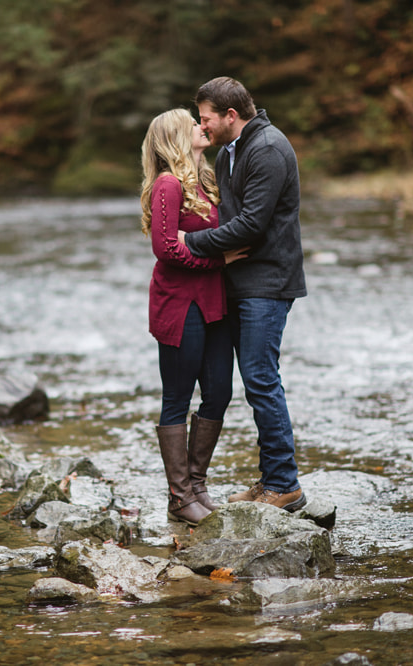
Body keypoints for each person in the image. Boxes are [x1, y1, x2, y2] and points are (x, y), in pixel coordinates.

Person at [179, 76, 308, 512]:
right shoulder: (233, 150)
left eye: (207, 119)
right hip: (242, 280)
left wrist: (190, 243)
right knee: (256, 381)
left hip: (267, 283)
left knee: (260, 380)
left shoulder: (267, 149)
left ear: (231, 116)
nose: (203, 126)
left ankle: (284, 485)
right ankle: (271, 477)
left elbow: (252, 224)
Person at [140, 108, 248, 526]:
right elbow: (166, 249)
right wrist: (218, 260)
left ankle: (197, 485)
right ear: (175, 138)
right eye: (192, 123)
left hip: (213, 304)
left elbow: (197, 239)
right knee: (177, 398)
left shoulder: (206, 181)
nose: (201, 126)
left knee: (219, 391)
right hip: (179, 304)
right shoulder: (168, 184)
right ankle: (179, 496)